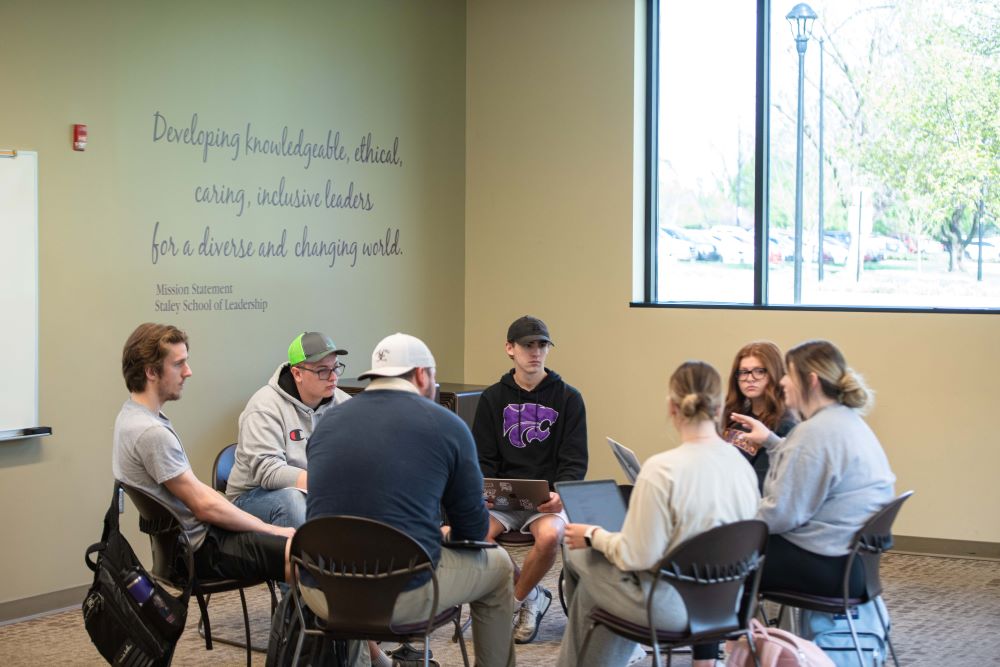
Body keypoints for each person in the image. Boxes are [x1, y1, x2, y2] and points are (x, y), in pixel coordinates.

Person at [303, 333, 516, 667]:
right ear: (421, 375)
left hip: (322, 591)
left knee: (353, 559)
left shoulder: (327, 423)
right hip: (401, 595)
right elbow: (474, 531)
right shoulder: (447, 425)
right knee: (500, 565)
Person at [557, 361, 760, 667]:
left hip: (670, 608)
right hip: (727, 603)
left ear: (672, 407)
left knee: (579, 554)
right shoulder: (743, 467)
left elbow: (636, 557)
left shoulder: (662, 469)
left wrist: (593, 535)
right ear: (720, 410)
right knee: (593, 591)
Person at [112, 323, 293, 586]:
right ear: (151, 371)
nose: (188, 372)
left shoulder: (130, 416)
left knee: (290, 542)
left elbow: (195, 490)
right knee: (299, 553)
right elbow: (203, 506)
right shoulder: (150, 433)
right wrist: (271, 529)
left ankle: (297, 624)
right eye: (179, 364)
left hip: (188, 543)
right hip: (199, 551)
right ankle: (293, 626)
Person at [730, 339, 895, 599]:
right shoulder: (847, 420)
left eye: (790, 375)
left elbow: (781, 515)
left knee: (720, 560)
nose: (782, 382)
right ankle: (741, 638)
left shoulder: (813, 432)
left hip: (824, 563)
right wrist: (772, 442)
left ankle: (731, 638)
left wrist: (727, 522)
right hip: (851, 562)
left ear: (812, 381)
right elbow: (809, 466)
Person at [472, 315, 588, 644]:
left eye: (542, 345)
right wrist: (486, 491)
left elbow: (574, 459)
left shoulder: (568, 398)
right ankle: (533, 595)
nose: (535, 352)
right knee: (476, 534)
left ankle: (514, 602)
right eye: (527, 345)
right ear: (510, 349)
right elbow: (483, 458)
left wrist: (561, 494)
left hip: (546, 499)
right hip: (503, 499)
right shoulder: (493, 398)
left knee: (550, 535)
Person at [226, 331, 351, 528]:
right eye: (323, 370)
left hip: (314, 490)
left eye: (336, 367)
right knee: (293, 501)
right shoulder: (264, 407)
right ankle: (302, 559)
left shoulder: (344, 404)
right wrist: (324, 484)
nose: (333, 377)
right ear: (297, 373)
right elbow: (267, 471)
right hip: (253, 496)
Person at [721, 341, 797, 490]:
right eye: (743, 372)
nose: (750, 378)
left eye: (759, 371)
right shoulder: (733, 417)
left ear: (773, 373)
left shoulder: (786, 424)